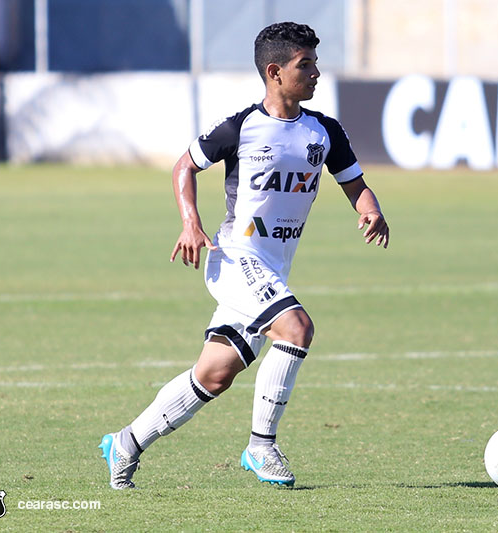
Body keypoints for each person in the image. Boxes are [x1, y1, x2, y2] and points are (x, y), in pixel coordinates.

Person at [99, 21, 389, 489]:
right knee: (297, 327)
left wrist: (372, 209)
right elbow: (184, 166)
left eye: (315, 63)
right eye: (305, 64)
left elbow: (354, 183)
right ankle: (262, 445)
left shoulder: (325, 132)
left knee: (214, 375)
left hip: (272, 268)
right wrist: (190, 223)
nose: (316, 72)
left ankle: (126, 443)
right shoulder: (241, 127)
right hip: (234, 259)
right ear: (275, 72)